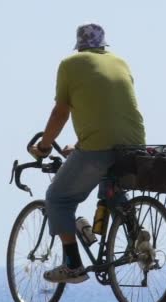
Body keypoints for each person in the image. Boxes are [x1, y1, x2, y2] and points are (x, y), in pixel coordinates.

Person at [29, 23, 146, 284]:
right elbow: (107, 109)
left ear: (79, 45)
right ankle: (136, 232)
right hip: (134, 146)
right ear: (103, 45)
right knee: (111, 182)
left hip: (98, 148)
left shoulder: (70, 65)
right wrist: (80, 144)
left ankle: (73, 266)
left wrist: (45, 145)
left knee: (58, 198)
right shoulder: (120, 62)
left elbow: (60, 112)